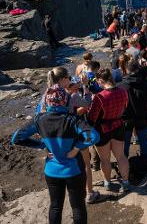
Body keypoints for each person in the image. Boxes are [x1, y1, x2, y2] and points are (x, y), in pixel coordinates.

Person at [12, 67, 99, 224]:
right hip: (73, 168)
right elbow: (93, 135)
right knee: (78, 207)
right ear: (65, 101)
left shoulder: (39, 118)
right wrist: (76, 149)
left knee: (55, 206)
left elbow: (16, 138)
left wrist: (41, 146)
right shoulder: (72, 120)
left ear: (48, 101)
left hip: (51, 168)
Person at [87, 68, 130, 193]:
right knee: (121, 156)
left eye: (98, 82)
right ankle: (126, 182)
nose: (97, 84)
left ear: (101, 80)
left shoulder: (99, 97)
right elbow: (125, 107)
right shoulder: (123, 92)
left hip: (102, 130)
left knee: (105, 159)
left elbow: (91, 119)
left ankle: (108, 182)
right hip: (118, 125)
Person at [118, 61, 147, 163]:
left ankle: (123, 165)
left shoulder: (120, 86)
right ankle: (146, 162)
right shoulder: (144, 84)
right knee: (143, 142)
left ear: (126, 71)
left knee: (125, 144)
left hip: (125, 118)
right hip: (142, 116)